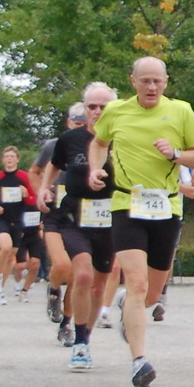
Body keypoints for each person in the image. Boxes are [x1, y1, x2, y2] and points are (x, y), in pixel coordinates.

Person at [87, 57, 194, 387]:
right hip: (127, 203)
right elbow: (98, 143)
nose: (151, 87)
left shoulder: (181, 111)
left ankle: (129, 306)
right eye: (145, 81)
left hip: (167, 206)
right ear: (133, 81)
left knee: (151, 295)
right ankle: (139, 362)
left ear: (166, 82)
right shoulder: (116, 111)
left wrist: (175, 154)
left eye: (157, 81)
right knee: (136, 282)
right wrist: (95, 169)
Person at [43, 85, 118, 367]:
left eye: (103, 107)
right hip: (75, 215)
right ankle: (80, 343)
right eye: (92, 107)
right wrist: (44, 188)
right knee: (83, 275)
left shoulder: (124, 138)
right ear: (84, 109)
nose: (97, 112)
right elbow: (53, 164)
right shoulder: (70, 139)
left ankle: (86, 334)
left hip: (111, 218)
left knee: (99, 285)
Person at [37, 108, 86, 335]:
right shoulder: (54, 146)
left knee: (77, 275)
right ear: (69, 122)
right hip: (55, 213)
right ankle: (54, 289)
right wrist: (42, 191)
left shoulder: (98, 145)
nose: (81, 128)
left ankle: (66, 323)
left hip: (81, 214)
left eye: (85, 124)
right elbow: (34, 171)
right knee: (62, 265)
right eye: (77, 123)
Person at [0, 146, 39, 306]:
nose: (9, 159)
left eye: (12, 156)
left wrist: (26, 195)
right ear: (2, 160)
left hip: (19, 220)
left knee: (10, 256)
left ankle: (0, 289)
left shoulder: (24, 177)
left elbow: (33, 199)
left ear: (17, 159)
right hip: (2, 219)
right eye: (6, 156)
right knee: (6, 247)